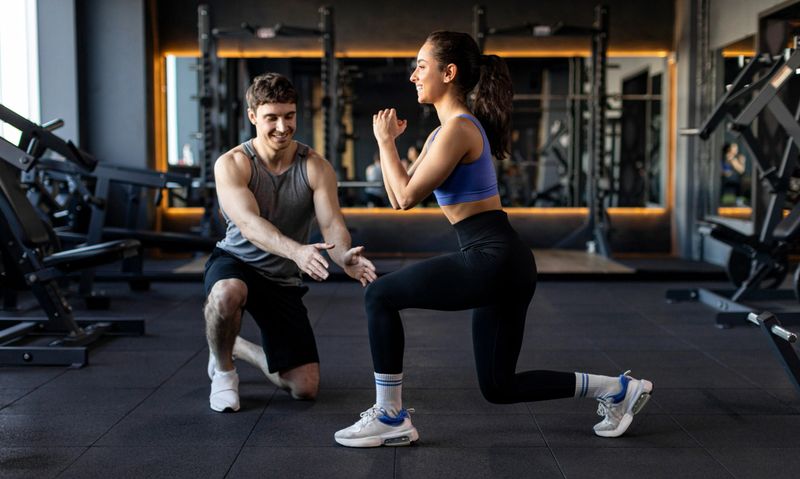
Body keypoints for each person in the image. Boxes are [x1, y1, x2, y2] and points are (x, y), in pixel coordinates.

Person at [334, 31, 653, 447]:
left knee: (380, 296)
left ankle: (391, 415)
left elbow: (406, 199)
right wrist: (388, 145)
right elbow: (398, 194)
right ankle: (616, 389)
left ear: (449, 73)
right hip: (502, 259)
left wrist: (383, 142)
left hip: (494, 256)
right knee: (498, 386)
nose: (413, 76)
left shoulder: (458, 130)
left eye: (421, 66)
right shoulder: (443, 132)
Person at [204, 73, 377, 413]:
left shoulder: (315, 166)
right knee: (226, 293)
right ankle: (223, 371)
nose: (282, 127)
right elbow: (249, 225)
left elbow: (331, 224)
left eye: (289, 116)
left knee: (305, 388)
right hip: (237, 262)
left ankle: (236, 346)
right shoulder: (233, 163)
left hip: (281, 277)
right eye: (272, 118)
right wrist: (297, 251)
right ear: (253, 116)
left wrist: (345, 258)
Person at [721, 142, 746, 206]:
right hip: (724, 179)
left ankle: (739, 202)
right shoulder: (722, 157)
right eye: (734, 148)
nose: (736, 150)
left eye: (736, 148)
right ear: (729, 149)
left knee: (741, 182)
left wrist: (733, 161)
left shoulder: (739, 158)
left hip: (735, 180)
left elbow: (742, 171)